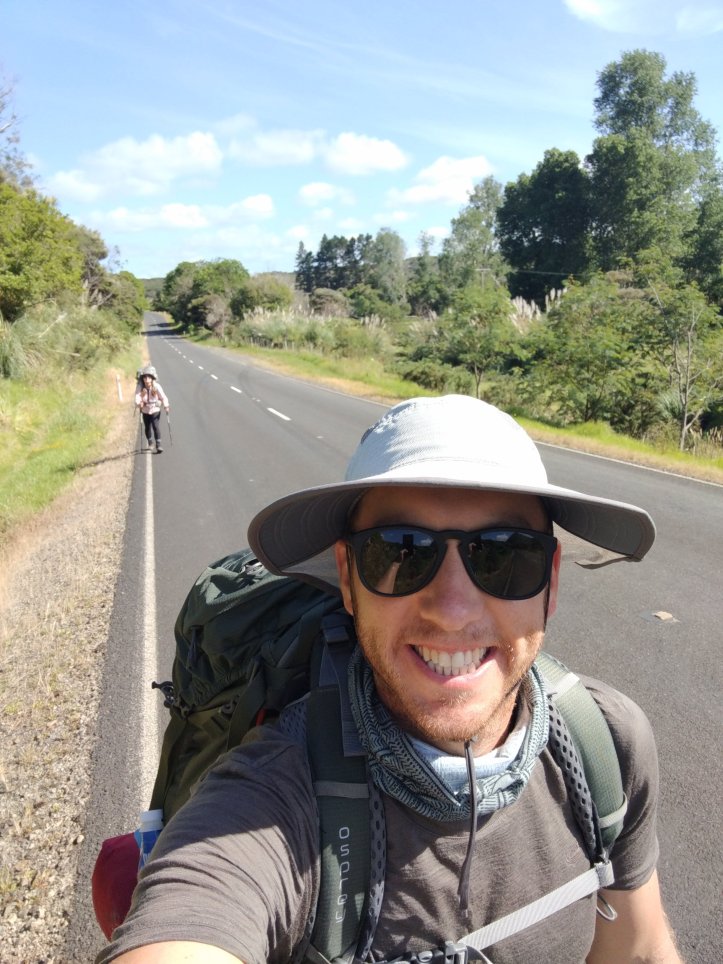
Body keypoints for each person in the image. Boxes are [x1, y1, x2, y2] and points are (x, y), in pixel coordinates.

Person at [99, 395, 682, 964]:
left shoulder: (606, 747)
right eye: (402, 552)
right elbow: (196, 913)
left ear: (550, 582)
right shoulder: (270, 798)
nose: (452, 611)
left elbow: (637, 948)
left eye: (504, 556)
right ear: (348, 579)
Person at [134, 367, 169, 454]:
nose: (147, 379)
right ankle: (150, 442)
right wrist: (139, 403)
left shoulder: (156, 386)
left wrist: (166, 405)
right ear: (143, 379)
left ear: (152, 378)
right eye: (145, 377)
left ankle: (158, 445)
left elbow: (163, 397)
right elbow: (137, 397)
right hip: (145, 410)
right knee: (147, 427)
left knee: (155, 426)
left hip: (155, 409)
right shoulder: (140, 387)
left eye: (149, 377)